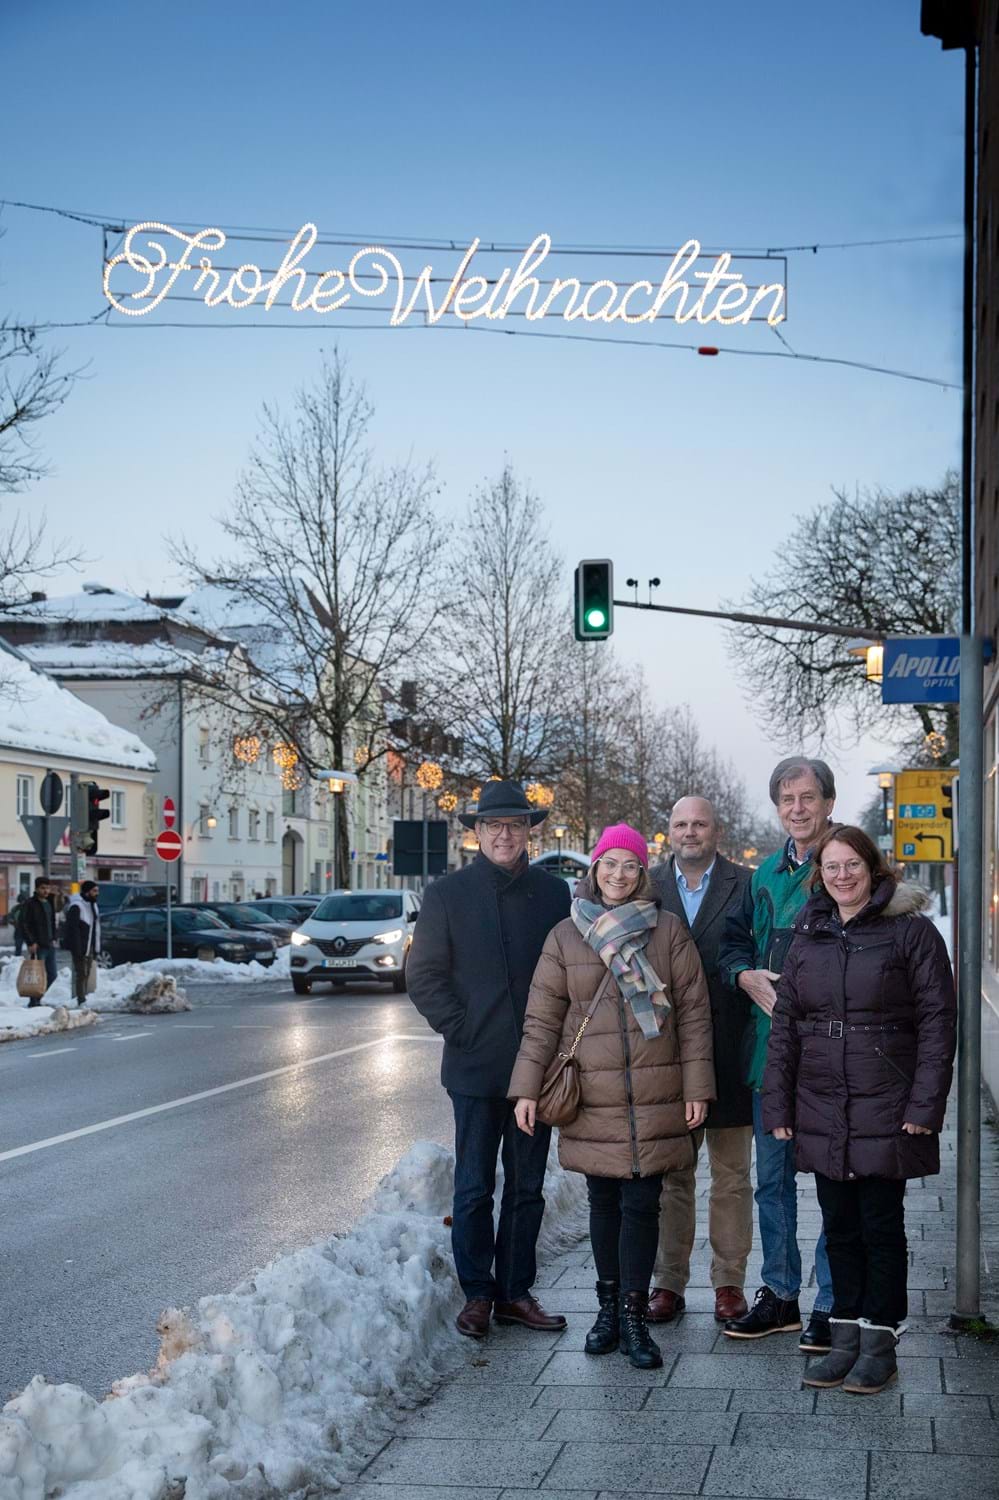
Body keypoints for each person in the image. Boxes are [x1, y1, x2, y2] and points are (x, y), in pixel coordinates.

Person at [509, 823, 714, 1369]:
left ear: (642, 872)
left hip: (655, 1090)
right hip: (592, 1092)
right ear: (594, 869)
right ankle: (606, 1311)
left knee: (643, 1205)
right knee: (603, 1203)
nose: (618, 874)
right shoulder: (565, 935)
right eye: (609, 863)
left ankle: (633, 1317)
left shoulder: (668, 931)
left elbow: (695, 1015)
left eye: (629, 865)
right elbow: (541, 1021)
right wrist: (526, 1089)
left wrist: (698, 1086)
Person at [763, 825, 956, 1394]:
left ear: (873, 868)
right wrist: (779, 1102)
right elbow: (786, 1027)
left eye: (852, 864)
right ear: (819, 874)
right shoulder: (809, 934)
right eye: (831, 866)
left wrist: (925, 1104)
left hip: (887, 1102)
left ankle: (880, 1341)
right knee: (838, 1227)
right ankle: (844, 1336)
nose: (842, 875)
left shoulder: (911, 932)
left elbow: (938, 1023)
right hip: (822, 1101)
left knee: (880, 1226)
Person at [407, 779, 571, 1339]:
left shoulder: (553, 894)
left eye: (515, 825)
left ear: (529, 832)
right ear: (476, 832)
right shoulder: (446, 894)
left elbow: (569, 973)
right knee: (474, 1187)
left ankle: (515, 1292)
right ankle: (477, 1292)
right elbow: (423, 976)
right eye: (494, 825)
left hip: (536, 1068)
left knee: (527, 1187)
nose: (505, 835)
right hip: (475, 1067)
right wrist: (464, 1030)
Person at [719, 756, 836, 1349]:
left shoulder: (844, 865)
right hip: (770, 1056)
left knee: (837, 1183)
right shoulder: (762, 874)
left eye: (808, 797)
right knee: (772, 1183)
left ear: (829, 803)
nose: (797, 808)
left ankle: (833, 1302)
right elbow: (732, 942)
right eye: (787, 799)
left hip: (831, 1061)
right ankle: (782, 1294)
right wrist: (743, 975)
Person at [648, 796, 754, 1326]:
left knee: (732, 1177)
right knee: (673, 1176)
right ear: (669, 831)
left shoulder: (746, 885)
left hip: (730, 1052)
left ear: (717, 830)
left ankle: (728, 1283)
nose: (690, 832)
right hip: (666, 1059)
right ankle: (668, 1283)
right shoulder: (646, 886)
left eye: (700, 824)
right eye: (681, 824)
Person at [20, 876, 58, 1002]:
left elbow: (52, 922)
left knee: (52, 975)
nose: (46, 891)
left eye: (48, 888)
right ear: (36, 889)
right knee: (36, 974)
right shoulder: (30, 904)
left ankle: (38, 996)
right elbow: (24, 924)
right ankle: (34, 1002)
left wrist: (54, 937)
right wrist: (31, 942)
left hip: (50, 943)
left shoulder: (50, 902)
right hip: (38, 945)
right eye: (43, 888)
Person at [63, 881, 101, 1006]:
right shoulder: (77, 906)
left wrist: (96, 947)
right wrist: (77, 949)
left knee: (87, 972)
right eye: (94, 891)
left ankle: (83, 997)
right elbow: (73, 929)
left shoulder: (93, 905)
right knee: (81, 973)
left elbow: (95, 928)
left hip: (89, 945)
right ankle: (81, 1000)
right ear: (87, 892)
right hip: (80, 947)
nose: (97, 893)